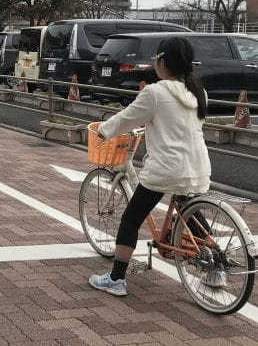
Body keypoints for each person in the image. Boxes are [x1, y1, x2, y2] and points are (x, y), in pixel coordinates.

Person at [88, 37, 213, 297]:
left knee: (131, 218)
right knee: (190, 212)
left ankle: (116, 278)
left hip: (166, 169)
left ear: (162, 62)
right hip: (198, 165)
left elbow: (127, 118)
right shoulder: (199, 91)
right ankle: (216, 267)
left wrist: (104, 131)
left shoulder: (155, 92)